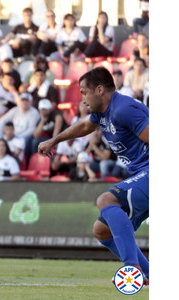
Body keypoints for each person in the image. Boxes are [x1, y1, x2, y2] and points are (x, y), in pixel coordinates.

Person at [37, 67, 149, 283]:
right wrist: (54, 140)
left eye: (84, 92)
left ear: (99, 90)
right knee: (102, 230)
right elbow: (86, 125)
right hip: (142, 173)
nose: (82, 99)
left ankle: (132, 270)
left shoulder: (123, 109)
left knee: (106, 200)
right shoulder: (102, 113)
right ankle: (149, 275)